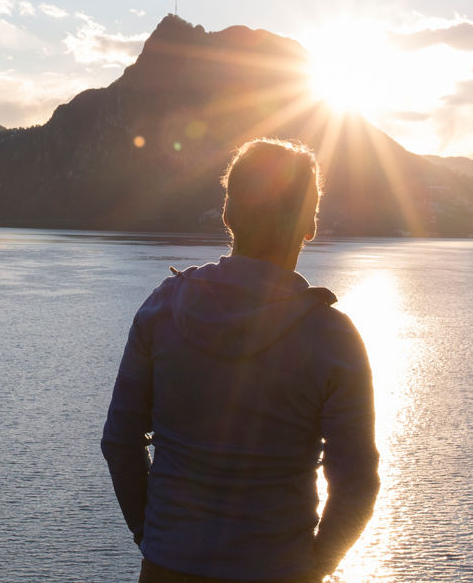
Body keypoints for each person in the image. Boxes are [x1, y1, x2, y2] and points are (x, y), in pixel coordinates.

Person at [101, 138, 380, 582]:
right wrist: (317, 566)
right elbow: (357, 481)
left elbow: (120, 443)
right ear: (309, 223)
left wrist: (152, 537)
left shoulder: (162, 311)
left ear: (229, 214)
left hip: (167, 566)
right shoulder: (333, 337)